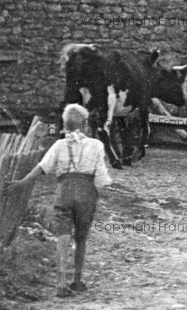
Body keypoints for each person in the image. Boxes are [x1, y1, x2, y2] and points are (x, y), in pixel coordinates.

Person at [4, 104, 112, 297]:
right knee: (81, 238)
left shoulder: (60, 145)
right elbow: (101, 177)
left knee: (62, 237)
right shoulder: (96, 145)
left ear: (65, 125)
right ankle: (77, 280)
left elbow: (42, 167)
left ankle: (60, 282)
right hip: (86, 193)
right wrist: (99, 188)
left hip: (64, 192)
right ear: (85, 124)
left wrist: (22, 181)